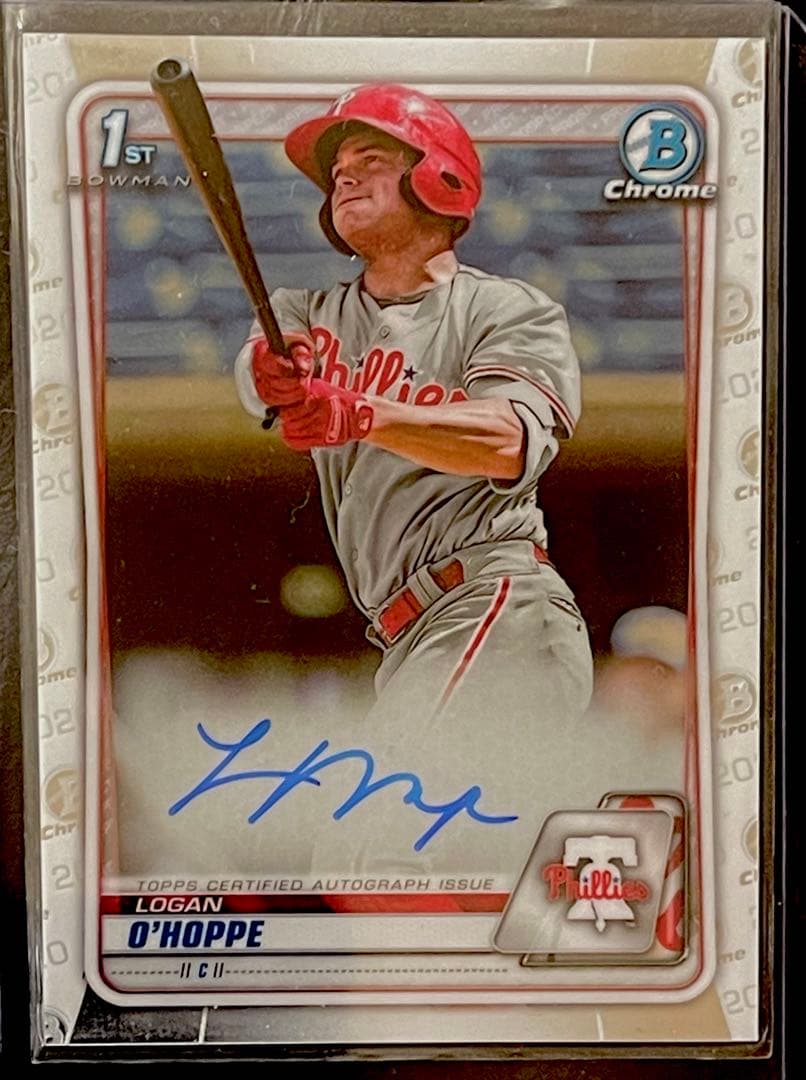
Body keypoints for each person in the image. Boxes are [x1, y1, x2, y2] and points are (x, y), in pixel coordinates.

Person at [235, 84, 594, 877]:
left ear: (440, 177)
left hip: (495, 604)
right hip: (411, 635)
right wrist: (275, 373)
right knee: (464, 880)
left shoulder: (508, 310)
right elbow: (267, 369)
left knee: (367, 848)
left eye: (371, 158)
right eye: (336, 171)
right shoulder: (308, 311)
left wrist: (361, 412)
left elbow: (508, 441)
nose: (345, 176)